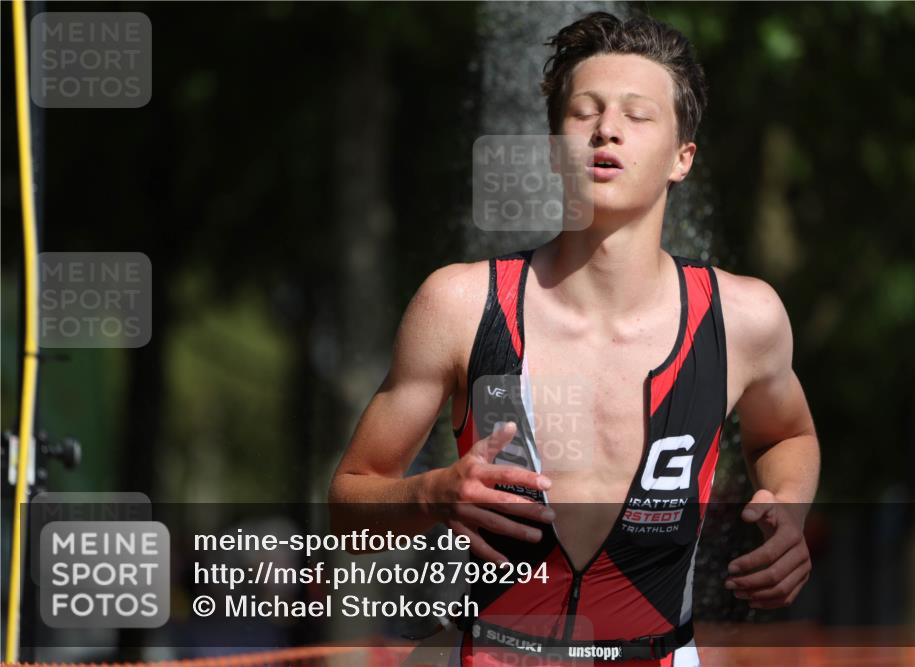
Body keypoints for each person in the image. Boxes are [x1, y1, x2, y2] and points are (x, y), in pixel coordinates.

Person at [328, 10, 820, 667]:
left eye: (637, 115)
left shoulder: (744, 318)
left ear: (683, 157)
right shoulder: (460, 304)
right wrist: (432, 493)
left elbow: (788, 434)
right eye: (584, 112)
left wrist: (787, 508)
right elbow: (348, 505)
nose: (606, 129)